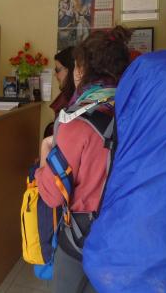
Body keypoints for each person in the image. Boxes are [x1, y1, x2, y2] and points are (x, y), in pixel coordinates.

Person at [35, 26, 132, 293]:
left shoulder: (76, 123)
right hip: (126, 232)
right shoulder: (136, 114)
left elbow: (53, 195)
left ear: (81, 70)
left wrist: (45, 151)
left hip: (82, 237)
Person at [44, 46, 76, 137]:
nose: (55, 74)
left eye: (57, 70)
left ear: (69, 70)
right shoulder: (76, 95)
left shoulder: (69, 100)